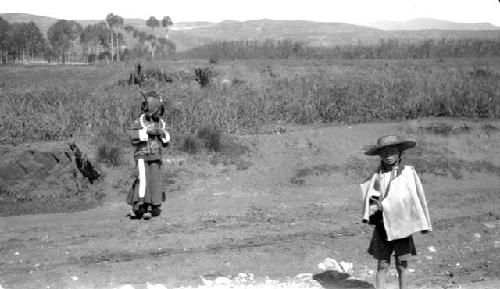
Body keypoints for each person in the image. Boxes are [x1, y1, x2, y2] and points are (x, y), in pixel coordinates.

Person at [360, 135, 432, 289]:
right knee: (382, 264)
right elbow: (370, 198)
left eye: (392, 151)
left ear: (400, 153)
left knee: (402, 263)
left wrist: (424, 223)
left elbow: (419, 197)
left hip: (403, 225)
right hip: (382, 227)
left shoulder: (408, 173)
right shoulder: (376, 177)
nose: (388, 156)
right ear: (379, 155)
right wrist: (374, 208)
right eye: (384, 153)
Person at [127, 91, 170, 220]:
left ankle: (151, 208)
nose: (159, 113)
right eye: (157, 110)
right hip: (141, 156)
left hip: (156, 156)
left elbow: (167, 139)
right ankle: (139, 207)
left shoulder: (161, 123)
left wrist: (161, 134)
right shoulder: (139, 122)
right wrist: (146, 131)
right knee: (142, 180)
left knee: (154, 181)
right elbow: (132, 136)